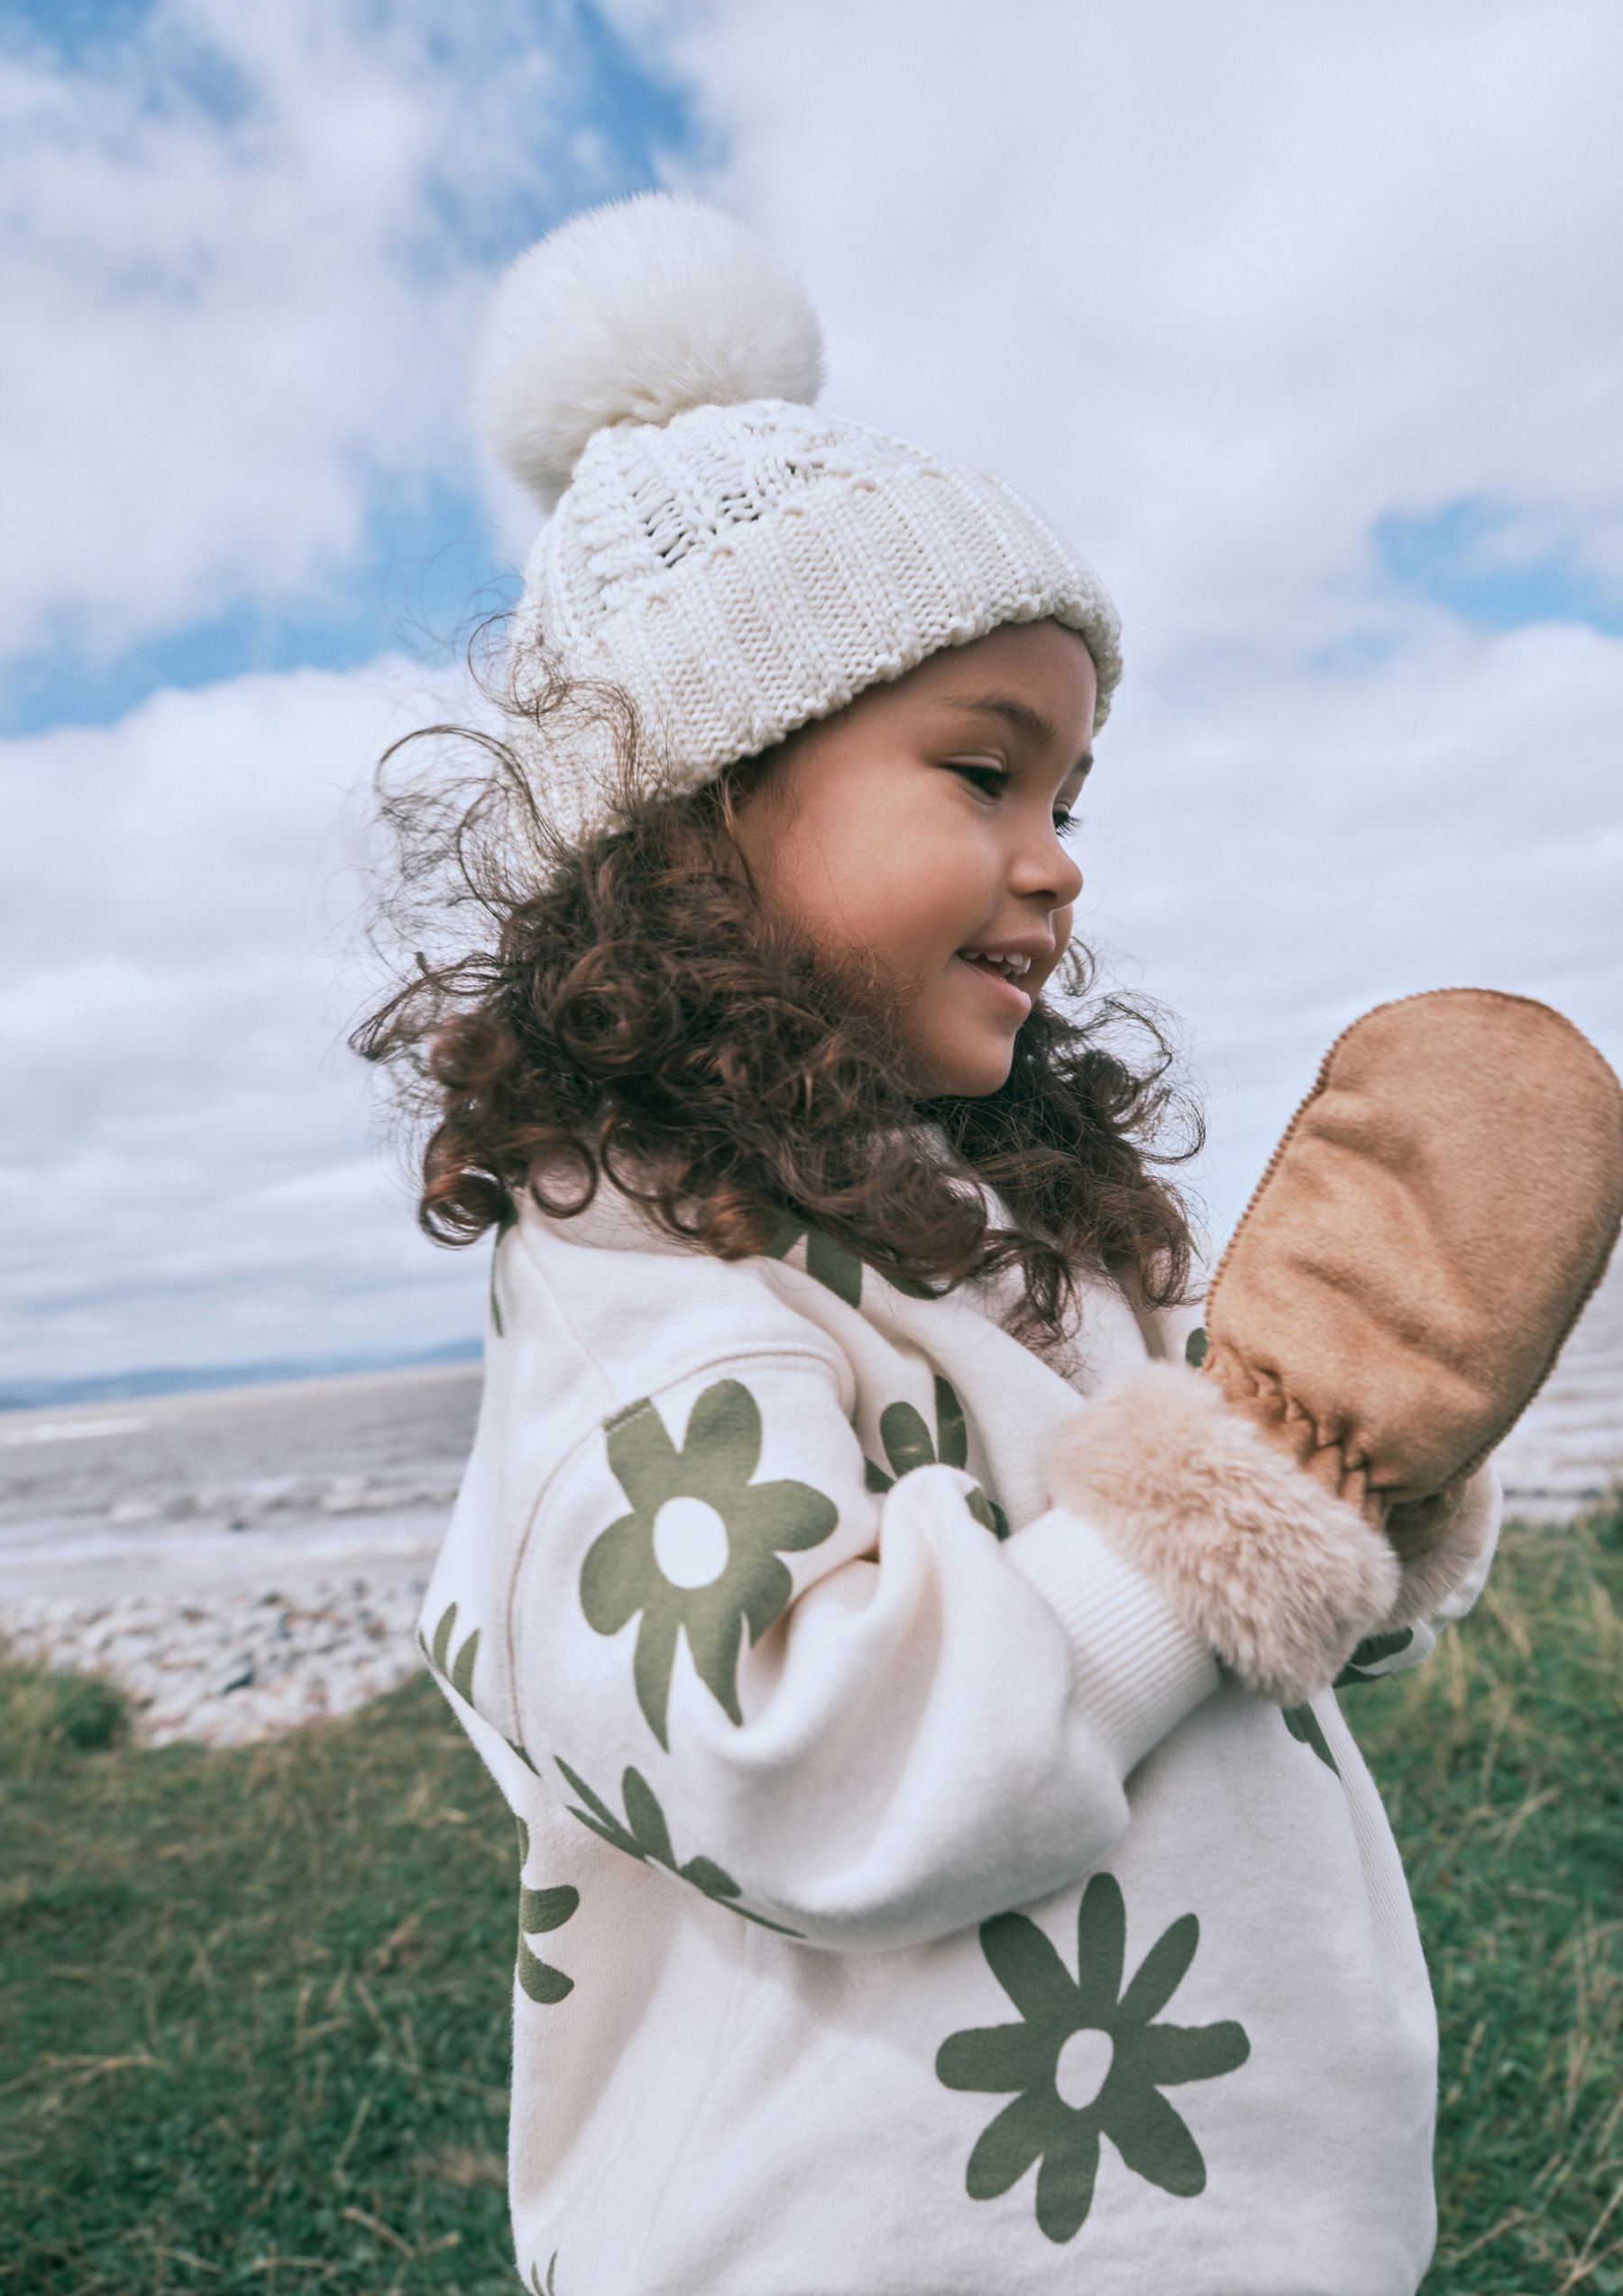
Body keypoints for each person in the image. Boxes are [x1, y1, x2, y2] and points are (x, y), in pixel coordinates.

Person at [357, 192, 1499, 2294]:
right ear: (698, 808)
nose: (1058, 865)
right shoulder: (655, 1266)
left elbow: (1213, 1655)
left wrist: (1362, 1467)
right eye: (985, 770)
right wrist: (1240, 1486)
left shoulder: (1016, 1226)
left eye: (1074, 790)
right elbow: (814, 1756)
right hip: (879, 2236)